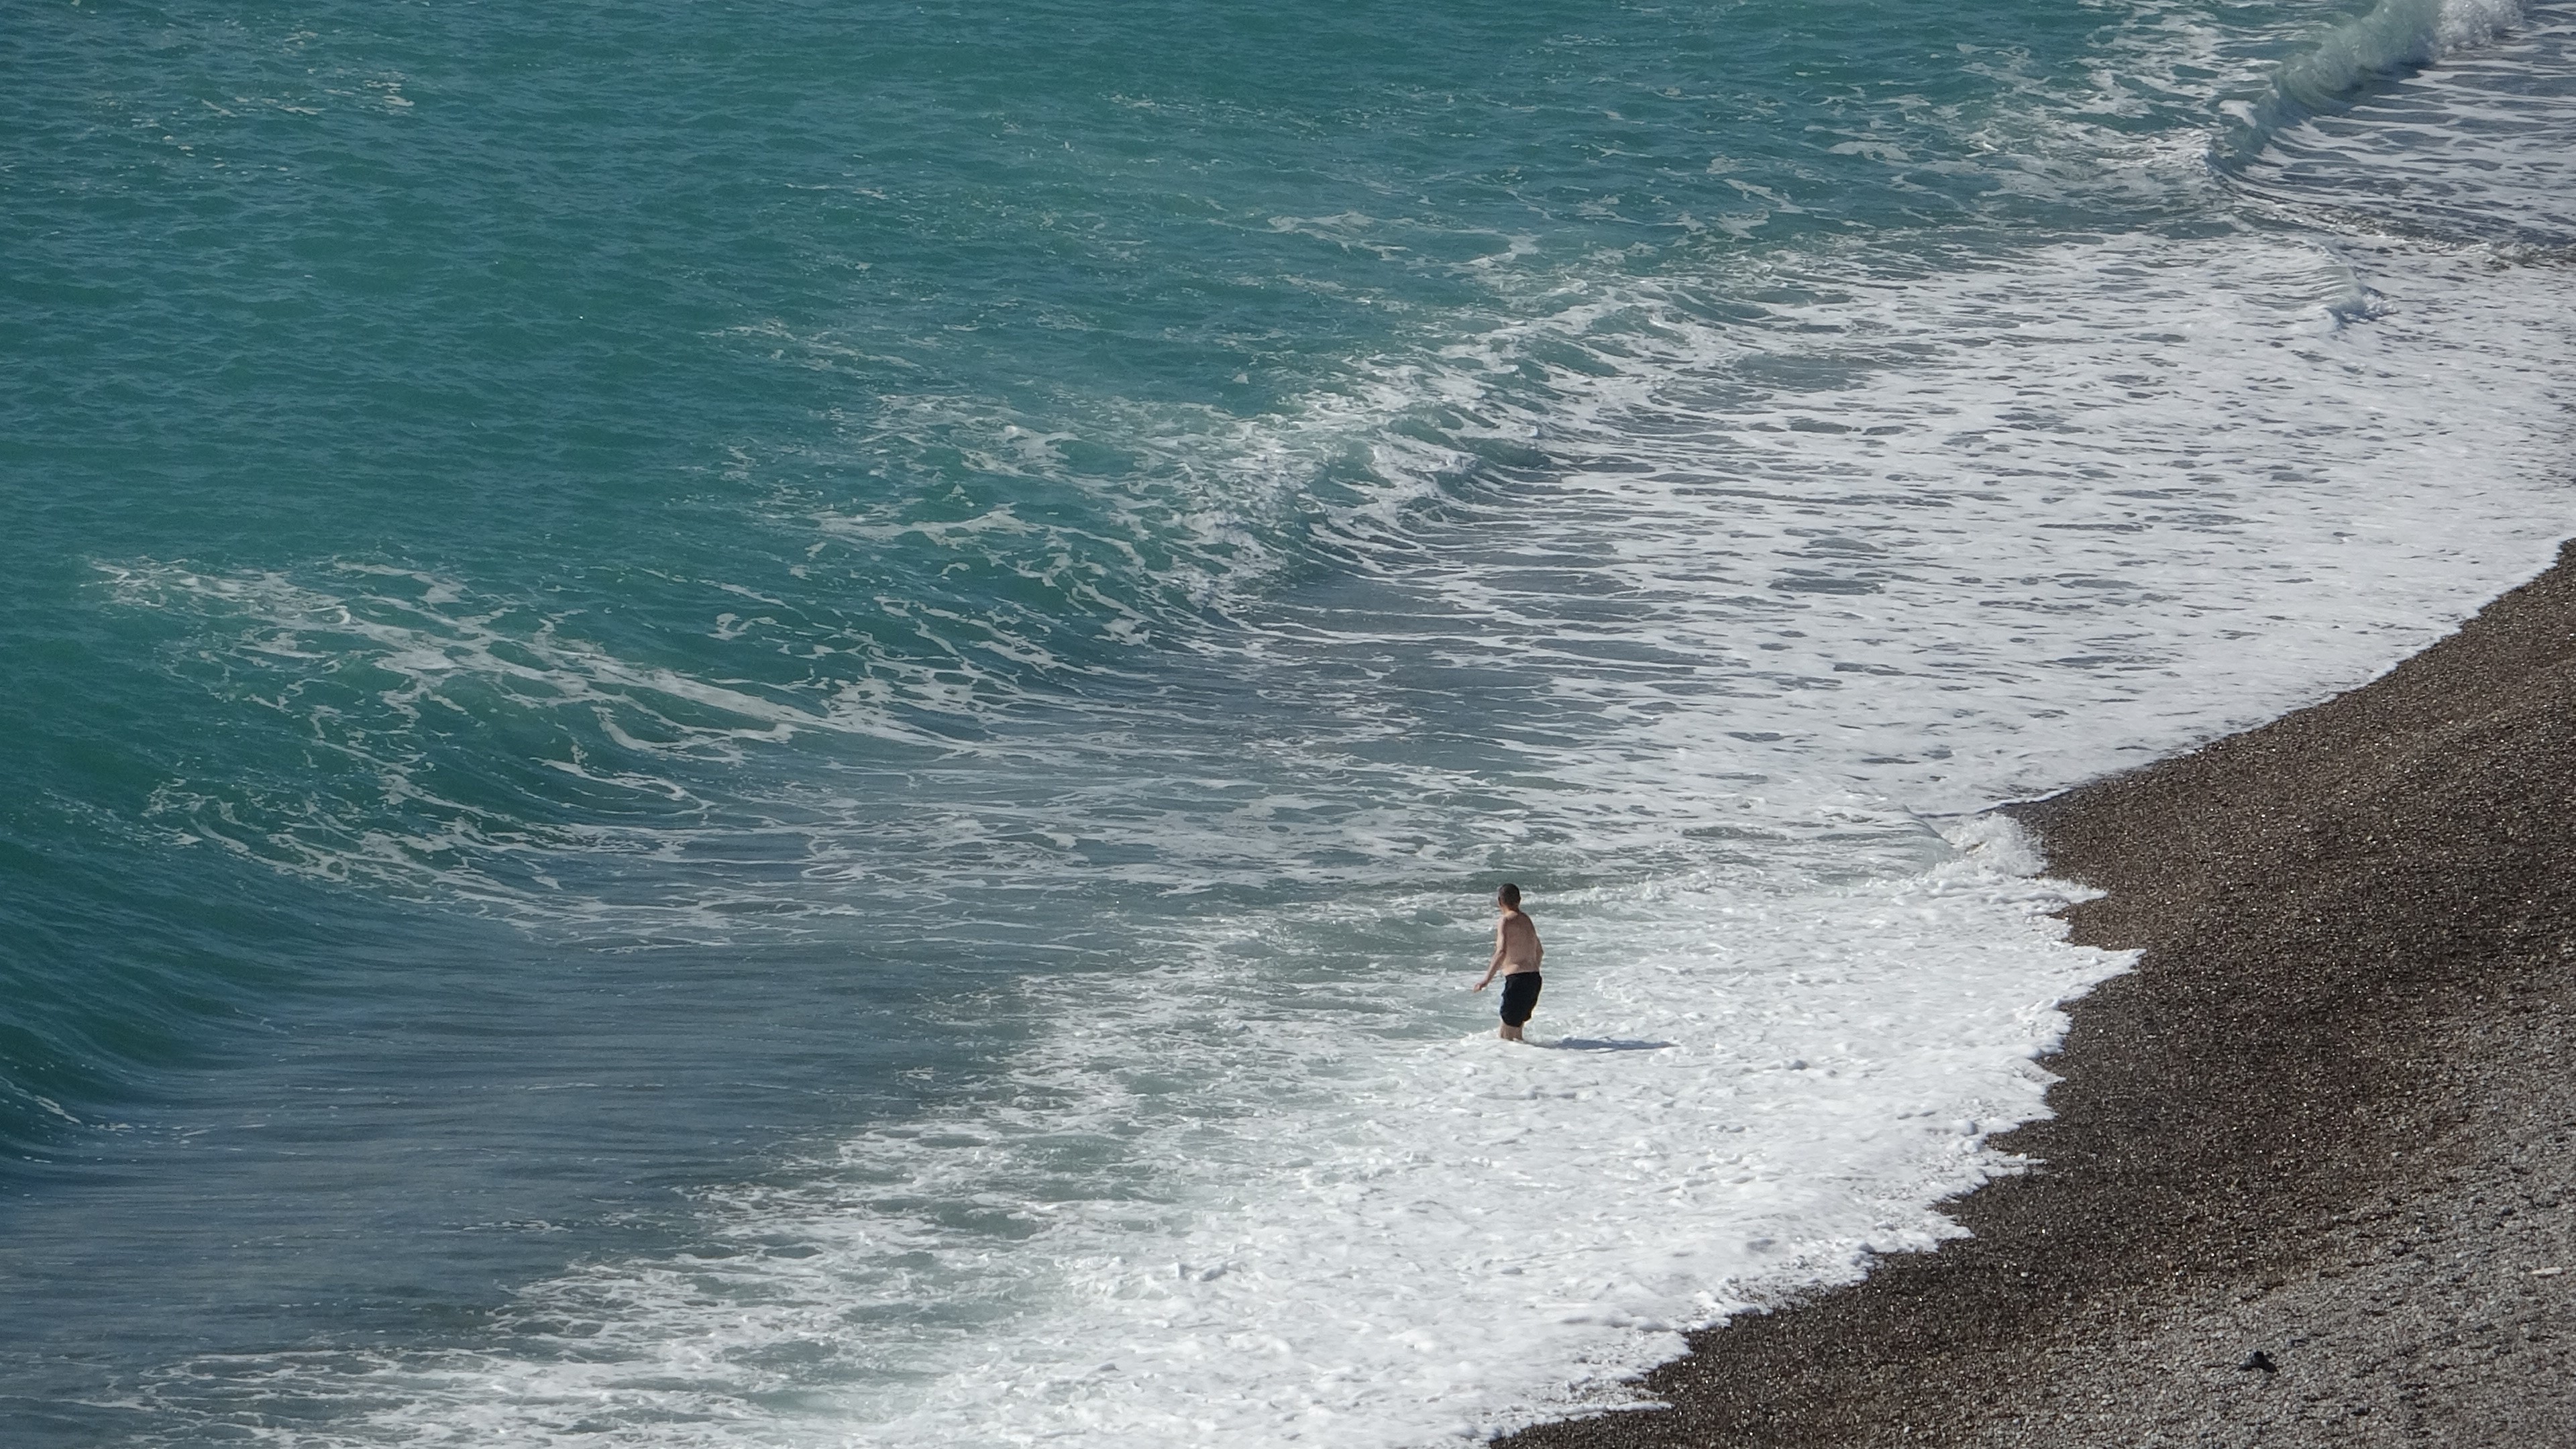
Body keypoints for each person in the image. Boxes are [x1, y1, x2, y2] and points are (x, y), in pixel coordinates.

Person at [1472, 881, 1543, 1041]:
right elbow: (1540, 951)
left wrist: (1486, 980)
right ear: (1520, 900)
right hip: (1534, 979)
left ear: (1499, 901)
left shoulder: (1505, 921)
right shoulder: (1526, 919)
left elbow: (1501, 951)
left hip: (1518, 981)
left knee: (1506, 1038)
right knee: (1517, 1037)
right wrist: (1531, 972)